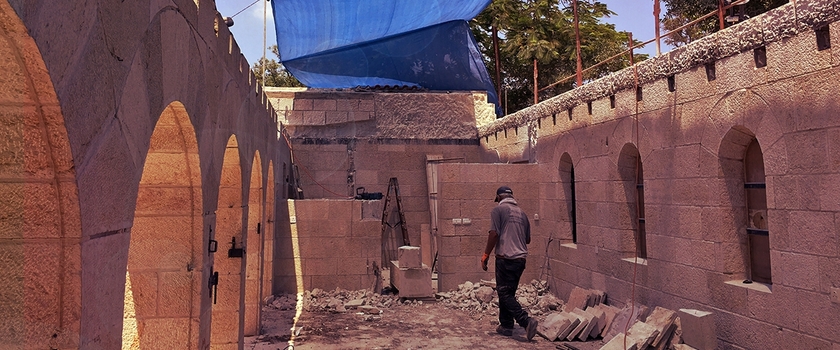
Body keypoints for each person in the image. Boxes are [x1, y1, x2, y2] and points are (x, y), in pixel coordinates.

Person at [481, 186, 538, 340]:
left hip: (506, 258)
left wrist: (486, 254)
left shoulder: (498, 211)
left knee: (504, 293)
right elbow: (528, 240)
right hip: (520, 260)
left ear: (499, 198)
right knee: (508, 292)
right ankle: (506, 326)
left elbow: (494, 234)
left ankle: (526, 321)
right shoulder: (523, 214)